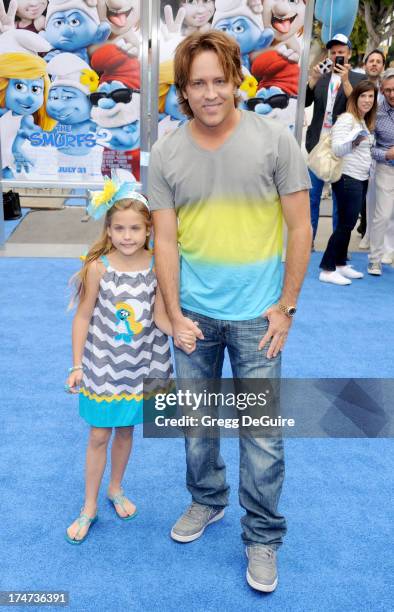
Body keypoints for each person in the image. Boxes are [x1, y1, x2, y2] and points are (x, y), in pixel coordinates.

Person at [148, 30, 312, 592]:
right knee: (196, 426)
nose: (211, 93)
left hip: (257, 319)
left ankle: (263, 536)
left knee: (261, 434)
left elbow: (300, 227)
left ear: (238, 80)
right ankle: (206, 500)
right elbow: (164, 243)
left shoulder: (275, 142)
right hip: (193, 314)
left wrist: (286, 307)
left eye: (220, 80)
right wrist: (172, 312)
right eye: (198, 83)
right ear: (184, 91)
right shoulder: (166, 152)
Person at [64, 178, 182, 544]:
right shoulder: (98, 267)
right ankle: (89, 506)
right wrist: (77, 364)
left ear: (149, 229)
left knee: (127, 431)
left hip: (141, 367)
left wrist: (184, 329)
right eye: (119, 228)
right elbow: (82, 316)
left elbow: (162, 317)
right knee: (99, 434)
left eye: (135, 228)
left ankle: (115, 488)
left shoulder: (157, 265)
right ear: (109, 230)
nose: (127, 236)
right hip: (102, 368)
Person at [305, 33, 365, 245]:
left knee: (340, 202)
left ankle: (337, 248)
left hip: (342, 147)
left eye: (341, 52)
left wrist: (346, 81)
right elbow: (303, 103)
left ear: (349, 54)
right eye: (333, 52)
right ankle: (308, 243)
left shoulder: (359, 79)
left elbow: (360, 107)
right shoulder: (321, 75)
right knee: (312, 198)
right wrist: (311, 81)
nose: (337, 56)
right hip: (317, 145)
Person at [319, 81, 377, 285]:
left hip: (360, 178)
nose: (367, 100)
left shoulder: (362, 121)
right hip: (347, 178)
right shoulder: (347, 119)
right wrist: (355, 140)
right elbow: (337, 150)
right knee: (345, 224)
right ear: (355, 98)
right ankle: (327, 268)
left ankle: (341, 263)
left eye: (371, 97)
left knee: (349, 223)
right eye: (363, 96)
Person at [357, 49, 386, 242]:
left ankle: (375, 234)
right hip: (360, 146)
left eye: (378, 61)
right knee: (362, 192)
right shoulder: (356, 86)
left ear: (383, 66)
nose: (374, 64)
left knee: (378, 195)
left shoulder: (387, 89)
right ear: (366, 64)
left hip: (382, 150)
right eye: (371, 61)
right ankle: (365, 229)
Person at [368, 68, 394, 276]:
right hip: (386, 168)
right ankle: (375, 260)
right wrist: (386, 155)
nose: (392, 94)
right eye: (387, 91)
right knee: (382, 216)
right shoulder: (376, 111)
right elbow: (368, 146)